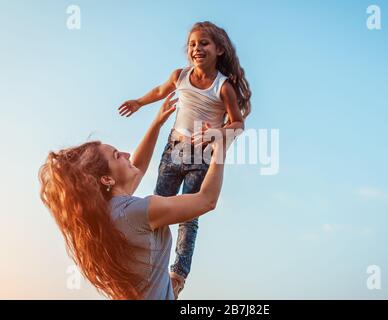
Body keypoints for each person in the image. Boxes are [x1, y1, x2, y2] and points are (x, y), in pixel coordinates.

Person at [39, 94, 228, 299]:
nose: (126, 155)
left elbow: (136, 166)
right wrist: (219, 148)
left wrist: (157, 123)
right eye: (116, 155)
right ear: (106, 180)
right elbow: (207, 200)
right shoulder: (134, 212)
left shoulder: (108, 213)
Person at [118, 21, 251, 298]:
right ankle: (148, 263)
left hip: (200, 156)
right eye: (192, 44)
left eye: (204, 43)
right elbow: (158, 91)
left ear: (219, 50)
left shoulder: (223, 87)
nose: (196, 48)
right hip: (174, 148)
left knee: (188, 216)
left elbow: (238, 124)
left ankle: (177, 275)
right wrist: (139, 103)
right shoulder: (180, 75)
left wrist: (217, 133)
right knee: (157, 207)